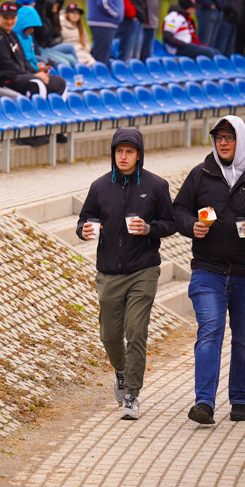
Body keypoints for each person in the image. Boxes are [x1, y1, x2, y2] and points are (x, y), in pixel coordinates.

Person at [174, 116, 245, 425]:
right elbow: (179, 210)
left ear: (241, 139)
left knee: (243, 337)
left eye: (229, 137)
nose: (223, 142)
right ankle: (204, 403)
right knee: (210, 330)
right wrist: (192, 226)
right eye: (218, 137)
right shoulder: (200, 175)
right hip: (208, 270)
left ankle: (239, 399)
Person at [77, 128, 175, 420]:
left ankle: (132, 395)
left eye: (129, 151)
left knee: (136, 332)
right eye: (119, 151)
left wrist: (148, 228)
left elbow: (169, 224)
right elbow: (85, 219)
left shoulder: (156, 186)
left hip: (143, 270)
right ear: (113, 153)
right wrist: (84, 230)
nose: (123, 156)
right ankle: (120, 372)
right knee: (109, 336)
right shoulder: (99, 186)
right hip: (108, 273)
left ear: (139, 155)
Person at [0, 2, 66, 97]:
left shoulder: (13, 35)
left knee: (59, 82)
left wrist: (36, 72)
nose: (9, 21)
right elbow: (7, 65)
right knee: (37, 83)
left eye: (12, 18)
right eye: (6, 18)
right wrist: (33, 75)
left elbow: (23, 60)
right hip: (8, 77)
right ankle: (38, 111)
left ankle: (56, 111)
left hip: (22, 74)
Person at [30, 0, 79, 67]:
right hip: (39, 49)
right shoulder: (33, 12)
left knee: (71, 57)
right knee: (66, 62)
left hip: (45, 47)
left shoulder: (45, 13)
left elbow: (52, 34)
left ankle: (79, 76)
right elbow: (42, 34)